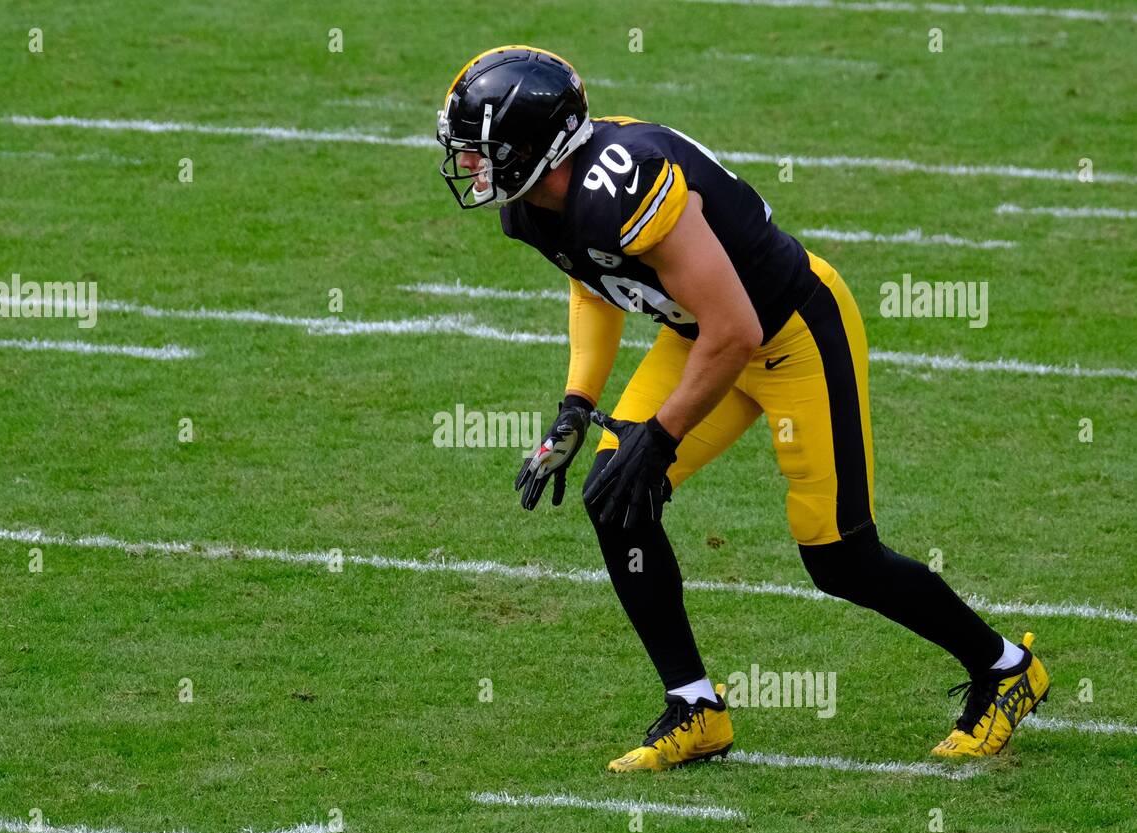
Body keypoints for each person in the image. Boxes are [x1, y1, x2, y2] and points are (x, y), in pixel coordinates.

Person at [437, 46, 1049, 771]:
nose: (475, 166)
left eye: (488, 150)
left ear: (543, 146)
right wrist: (577, 404)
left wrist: (661, 436)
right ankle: (696, 707)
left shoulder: (621, 185)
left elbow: (738, 333)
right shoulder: (537, 204)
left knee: (839, 555)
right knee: (615, 499)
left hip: (789, 333)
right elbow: (590, 281)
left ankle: (1007, 667)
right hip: (703, 337)